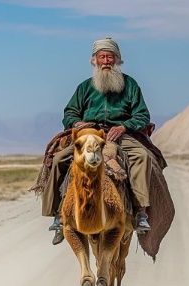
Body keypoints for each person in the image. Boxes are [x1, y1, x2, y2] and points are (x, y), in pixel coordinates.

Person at [42, 37, 154, 245]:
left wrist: (124, 126)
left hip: (120, 134)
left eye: (110, 57)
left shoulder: (130, 85)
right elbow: (70, 112)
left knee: (142, 156)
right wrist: (76, 124)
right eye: (101, 57)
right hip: (89, 134)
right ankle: (57, 215)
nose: (105, 61)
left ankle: (141, 212)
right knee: (58, 160)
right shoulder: (84, 87)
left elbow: (142, 115)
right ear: (94, 61)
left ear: (117, 60)